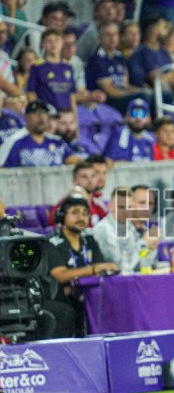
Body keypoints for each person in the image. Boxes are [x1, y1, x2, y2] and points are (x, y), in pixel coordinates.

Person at [47, 194, 118, 337]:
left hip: (86, 294)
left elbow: (100, 267)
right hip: (60, 297)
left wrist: (97, 269)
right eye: (75, 213)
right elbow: (61, 275)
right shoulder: (52, 242)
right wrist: (92, 269)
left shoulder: (89, 238)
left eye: (85, 214)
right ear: (62, 216)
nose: (81, 218)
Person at [0, 100, 77, 167]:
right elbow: (3, 169)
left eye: (44, 113)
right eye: (36, 113)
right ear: (26, 116)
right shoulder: (15, 141)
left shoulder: (56, 141)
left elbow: (72, 159)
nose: (41, 117)